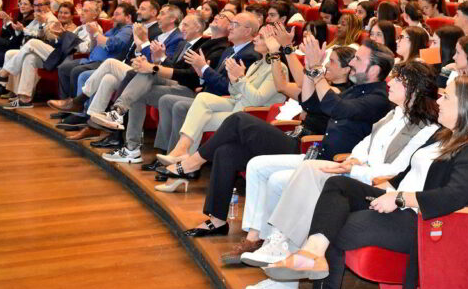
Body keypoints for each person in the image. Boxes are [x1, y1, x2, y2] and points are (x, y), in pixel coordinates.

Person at [261, 76, 468, 289]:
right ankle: (313, 251)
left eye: (447, 96)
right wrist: (385, 188)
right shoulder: (444, 135)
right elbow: (407, 174)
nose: (439, 100)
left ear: (467, 107)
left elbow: (452, 197)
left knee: (338, 224)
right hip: (399, 202)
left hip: (422, 221)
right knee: (337, 184)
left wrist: (399, 199)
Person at [239, 61, 440, 289]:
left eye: (398, 79)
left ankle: (282, 256)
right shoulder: (393, 114)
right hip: (357, 174)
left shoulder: (425, 129)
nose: (390, 82)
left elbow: (396, 171)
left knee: (312, 171)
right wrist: (353, 160)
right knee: (309, 169)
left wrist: (357, 168)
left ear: (414, 89)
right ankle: (281, 251)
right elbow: (364, 145)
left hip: (377, 188)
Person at [159, 39, 395, 238]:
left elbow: (337, 108)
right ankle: (218, 219)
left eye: (357, 60)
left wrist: (313, 68)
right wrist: (309, 69)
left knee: (239, 120)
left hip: (312, 150)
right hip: (301, 141)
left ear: (374, 70)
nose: (353, 63)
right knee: (226, 152)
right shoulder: (355, 89)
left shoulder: (377, 98)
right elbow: (310, 101)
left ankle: (191, 163)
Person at [92, 12, 233, 159]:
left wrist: (155, 65)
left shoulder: (220, 48)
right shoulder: (203, 43)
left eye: (224, 17)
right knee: (140, 83)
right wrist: (158, 60)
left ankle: (119, 114)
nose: (181, 28)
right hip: (182, 83)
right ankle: (130, 145)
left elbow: (191, 77)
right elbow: (178, 68)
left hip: (191, 90)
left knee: (145, 72)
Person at [48, 5, 184, 139]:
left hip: (154, 76)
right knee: (108, 79)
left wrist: (143, 47)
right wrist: (139, 48)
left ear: (173, 19)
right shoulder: (159, 34)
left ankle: (79, 100)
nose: (158, 17)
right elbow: (147, 56)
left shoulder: (176, 37)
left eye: (162, 14)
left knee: (110, 63)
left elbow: (164, 65)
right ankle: (92, 126)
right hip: (141, 70)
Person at [147, 13, 262, 160]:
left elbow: (228, 87)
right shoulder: (230, 50)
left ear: (247, 31)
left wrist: (204, 69)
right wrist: (202, 76)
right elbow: (215, 79)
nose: (230, 27)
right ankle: (165, 152)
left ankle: (175, 156)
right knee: (167, 100)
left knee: (179, 105)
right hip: (208, 94)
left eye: (235, 24)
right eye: (231, 23)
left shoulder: (249, 55)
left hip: (223, 101)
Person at [0, 0, 99, 106]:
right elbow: (60, 41)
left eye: (85, 11)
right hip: (57, 53)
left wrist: (66, 36)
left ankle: (4, 73)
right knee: (30, 58)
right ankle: (25, 98)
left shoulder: (94, 28)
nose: (81, 13)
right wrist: (62, 36)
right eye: (82, 10)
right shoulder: (80, 27)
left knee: (32, 43)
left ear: (94, 15)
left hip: (68, 58)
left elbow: (87, 49)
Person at [52, 2, 135, 101]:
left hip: (103, 62)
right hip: (90, 59)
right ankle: (64, 102)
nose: (113, 17)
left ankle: (75, 105)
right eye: (113, 14)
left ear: (128, 17)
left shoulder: (127, 30)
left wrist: (95, 33)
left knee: (76, 71)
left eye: (117, 14)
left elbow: (112, 45)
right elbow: (95, 46)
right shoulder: (113, 29)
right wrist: (93, 35)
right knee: (63, 68)